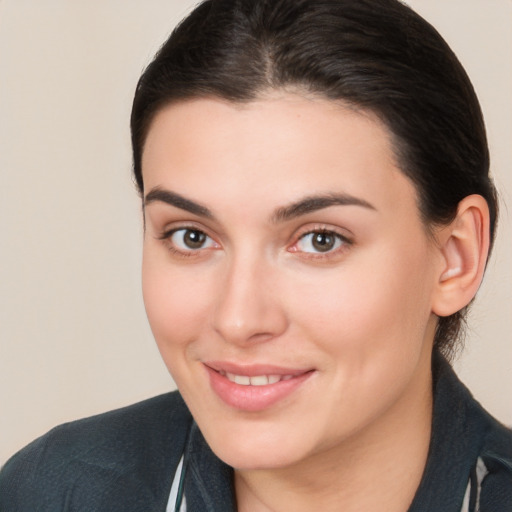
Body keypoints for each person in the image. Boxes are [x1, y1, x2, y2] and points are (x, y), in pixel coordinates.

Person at [1, 0, 511, 510]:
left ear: (455, 257)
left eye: (320, 240)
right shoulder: (51, 493)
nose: (239, 319)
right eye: (191, 237)